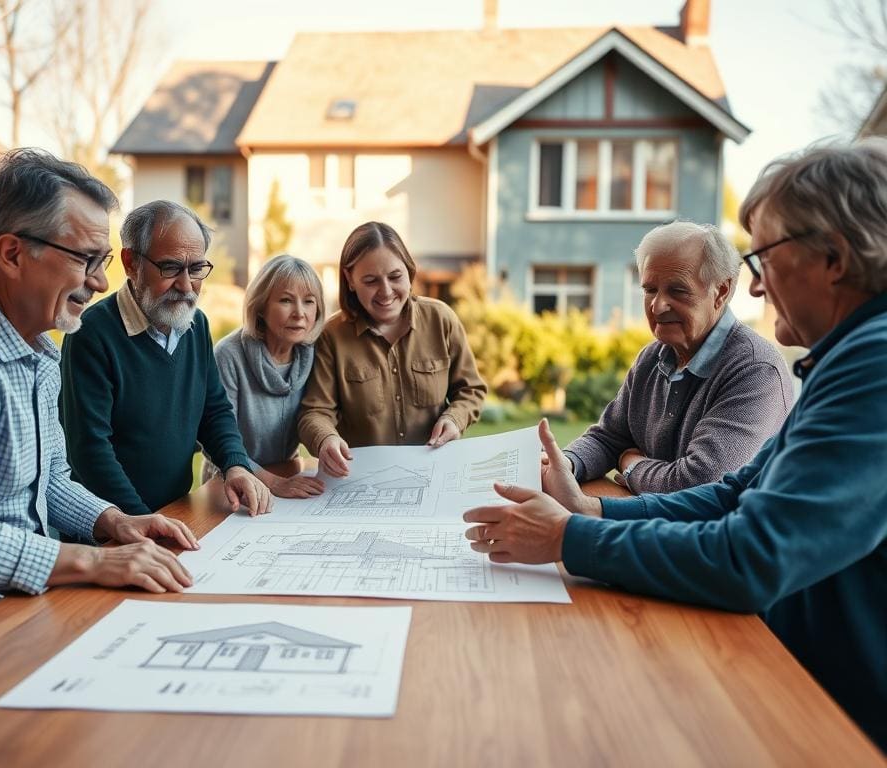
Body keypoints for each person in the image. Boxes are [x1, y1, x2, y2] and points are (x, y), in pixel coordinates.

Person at [462, 139, 887, 751]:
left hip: (841, 721)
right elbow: (737, 491)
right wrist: (590, 509)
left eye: (763, 256)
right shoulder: (845, 360)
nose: (758, 287)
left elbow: (751, 554)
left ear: (835, 259)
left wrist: (568, 537)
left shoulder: (870, 368)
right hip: (797, 680)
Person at [0, 150, 199, 635]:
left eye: (104, 261)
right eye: (86, 259)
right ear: (13, 253)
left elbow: (48, 481)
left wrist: (115, 522)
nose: (99, 281)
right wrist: (94, 564)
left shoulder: (38, 348)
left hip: (19, 593)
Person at [60, 200, 271, 518]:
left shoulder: (195, 324)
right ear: (131, 263)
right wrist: (141, 521)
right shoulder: (90, 334)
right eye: (170, 268)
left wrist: (236, 465)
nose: (186, 286)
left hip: (175, 513)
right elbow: (89, 451)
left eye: (196, 268)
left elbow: (213, 410)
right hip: (110, 531)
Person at [563, 221, 792, 493]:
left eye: (677, 290)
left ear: (721, 291)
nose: (657, 306)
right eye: (650, 289)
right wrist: (565, 463)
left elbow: (699, 483)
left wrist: (632, 464)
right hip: (656, 527)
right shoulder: (651, 358)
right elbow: (609, 438)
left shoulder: (755, 370)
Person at [298, 221, 487, 477]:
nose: (385, 291)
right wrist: (325, 439)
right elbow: (315, 411)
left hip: (435, 474)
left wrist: (455, 419)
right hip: (361, 480)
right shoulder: (331, 336)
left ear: (409, 271)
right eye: (370, 281)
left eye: (395, 277)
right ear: (350, 280)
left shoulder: (441, 319)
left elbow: (471, 389)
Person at [201, 254, 326, 497]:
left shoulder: (316, 353)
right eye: (286, 300)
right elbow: (213, 439)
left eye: (309, 301)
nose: (300, 313)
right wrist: (273, 482)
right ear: (260, 308)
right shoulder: (228, 355)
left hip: (288, 474)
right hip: (230, 482)